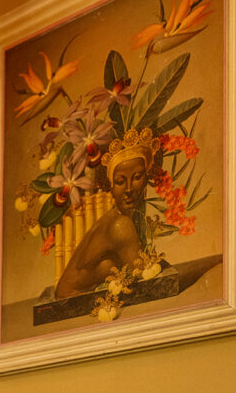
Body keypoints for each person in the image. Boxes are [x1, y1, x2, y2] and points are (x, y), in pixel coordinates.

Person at [55, 128, 160, 299]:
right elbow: (144, 277)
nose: (128, 189)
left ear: (146, 178)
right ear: (110, 186)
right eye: (120, 181)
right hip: (72, 303)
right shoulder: (121, 225)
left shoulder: (116, 217)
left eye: (137, 177)